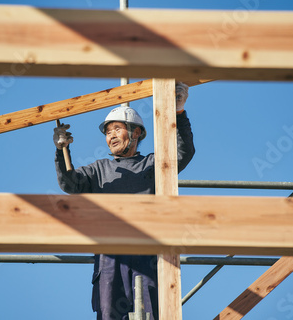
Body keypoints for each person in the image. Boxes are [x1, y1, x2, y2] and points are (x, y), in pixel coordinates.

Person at [53, 82, 195, 320]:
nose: (111, 136)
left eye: (117, 129)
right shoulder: (99, 169)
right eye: (108, 132)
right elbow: (71, 184)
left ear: (136, 132)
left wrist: (179, 111)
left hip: (148, 251)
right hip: (110, 255)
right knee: (109, 313)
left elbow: (182, 153)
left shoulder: (152, 165)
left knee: (151, 312)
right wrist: (61, 151)